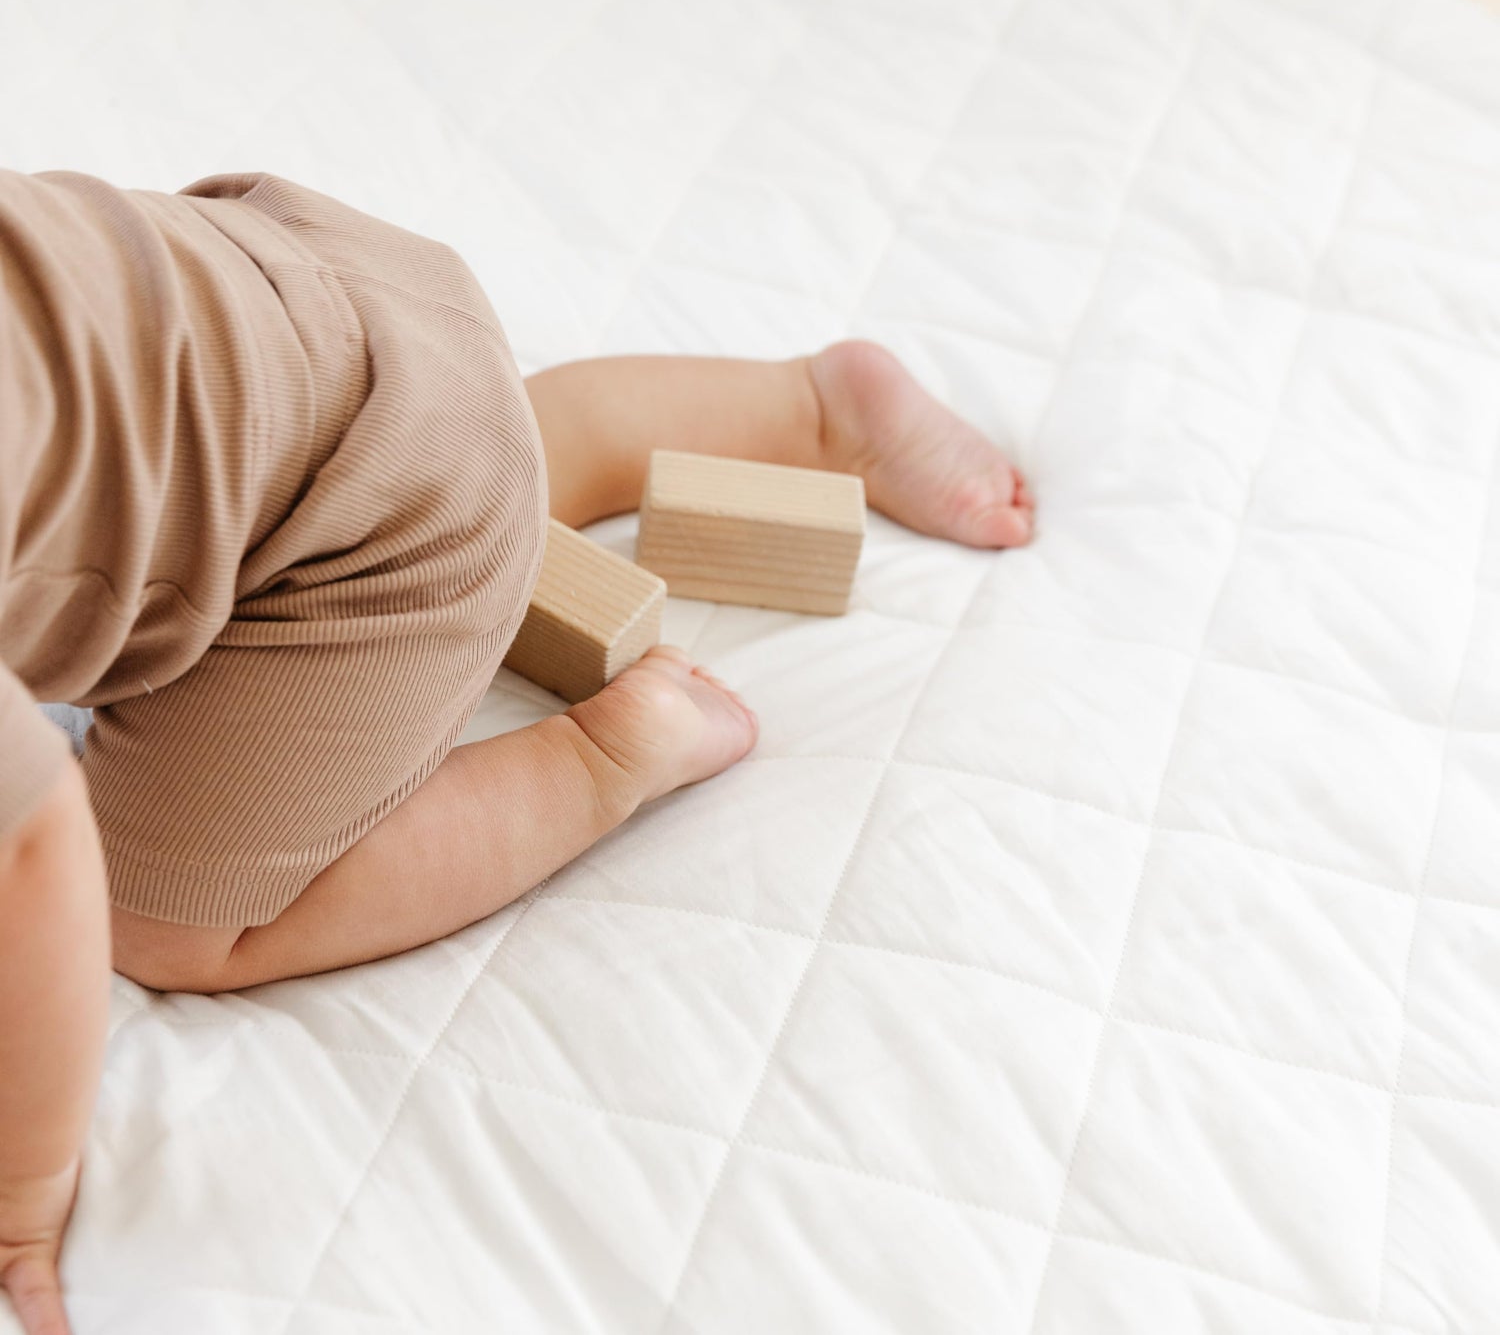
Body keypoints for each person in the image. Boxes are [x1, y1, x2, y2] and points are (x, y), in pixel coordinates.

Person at [0, 169, 1034, 1334]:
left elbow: (35, 850)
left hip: (364, 525)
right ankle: (812, 411)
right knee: (460, 434)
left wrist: (21, 1183)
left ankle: (610, 756)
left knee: (161, 920)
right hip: (295, 285)